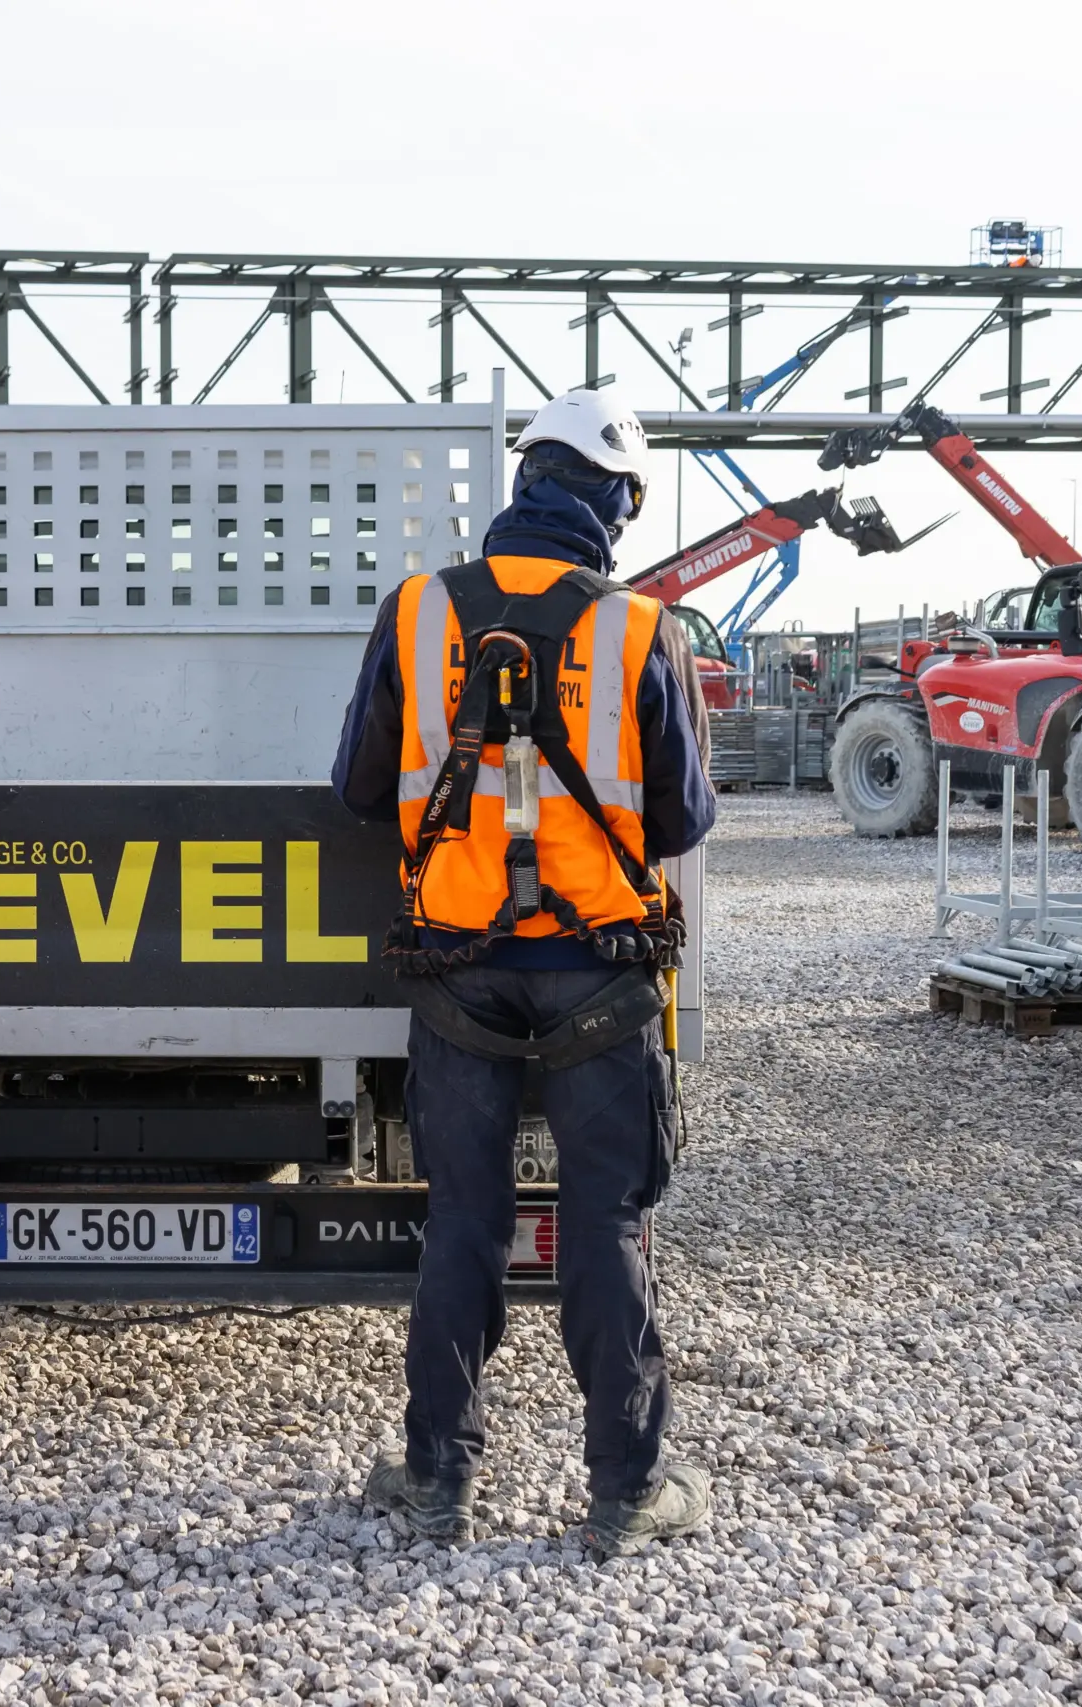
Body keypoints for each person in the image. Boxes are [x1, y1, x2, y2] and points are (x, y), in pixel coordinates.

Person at [330, 387, 718, 1557]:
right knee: (601, 1225)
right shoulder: (645, 631)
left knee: (464, 1225)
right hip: (599, 975)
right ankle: (624, 1491)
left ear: (526, 484)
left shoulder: (415, 614)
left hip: (456, 973)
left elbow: (357, 790)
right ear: (611, 498)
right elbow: (683, 817)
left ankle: (437, 1481)